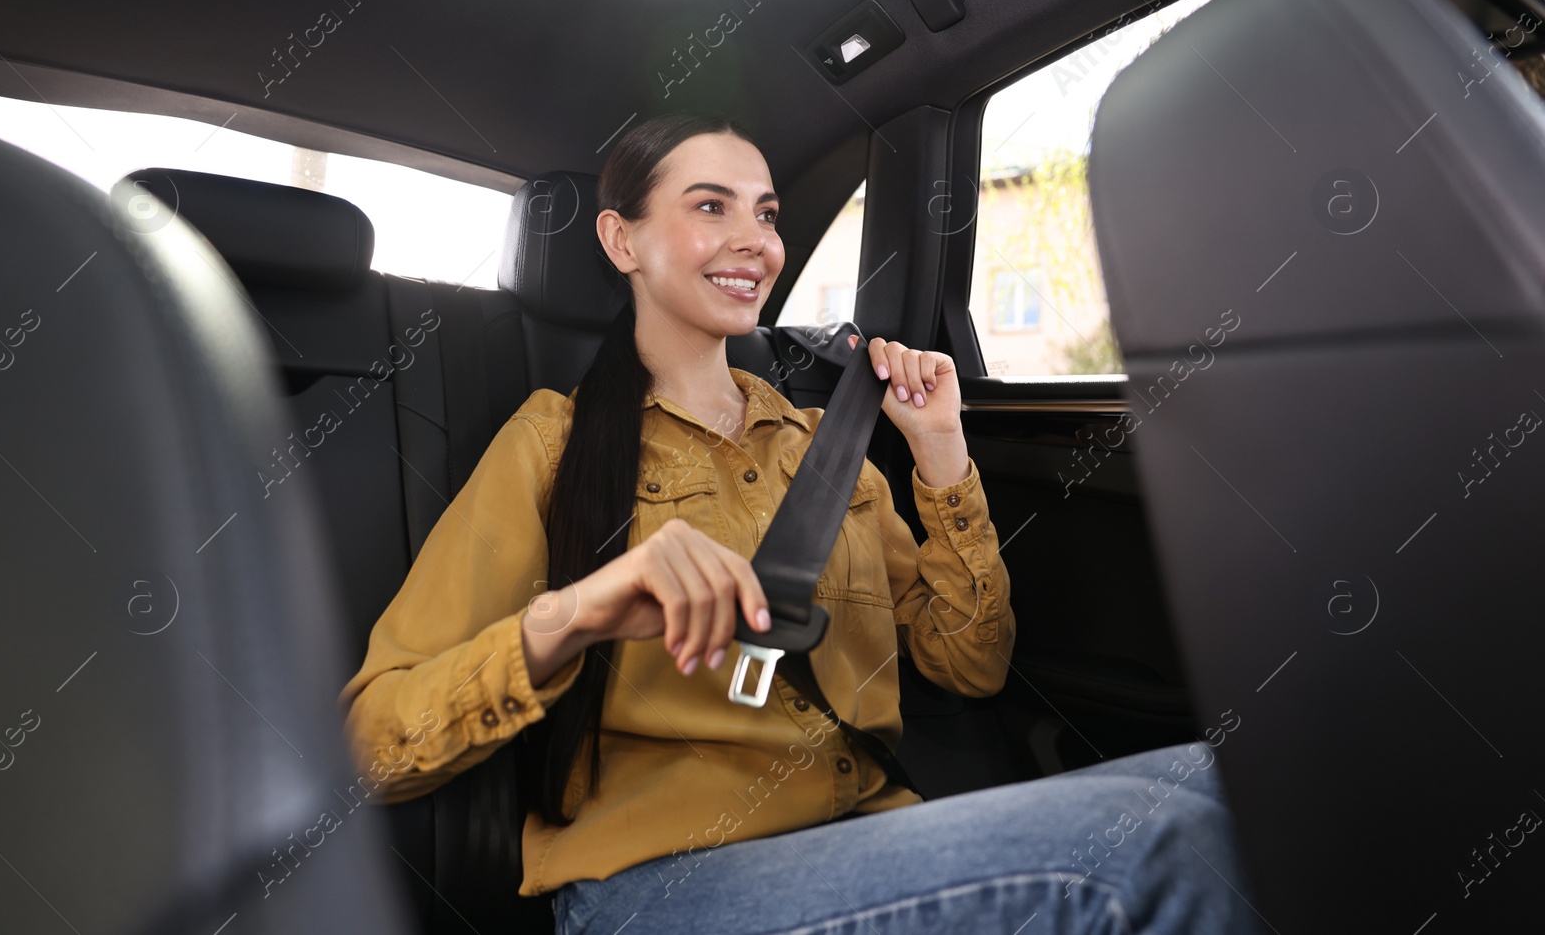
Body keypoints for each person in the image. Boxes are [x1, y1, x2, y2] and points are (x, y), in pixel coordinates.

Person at [338, 114, 1264, 934]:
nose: (754, 241)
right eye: (711, 207)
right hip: (662, 885)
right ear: (622, 241)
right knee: (1158, 844)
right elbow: (375, 739)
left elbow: (968, 664)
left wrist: (941, 451)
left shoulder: (823, 446)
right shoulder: (552, 443)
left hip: (870, 837)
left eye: (768, 214)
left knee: (1249, 776)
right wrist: (578, 611)